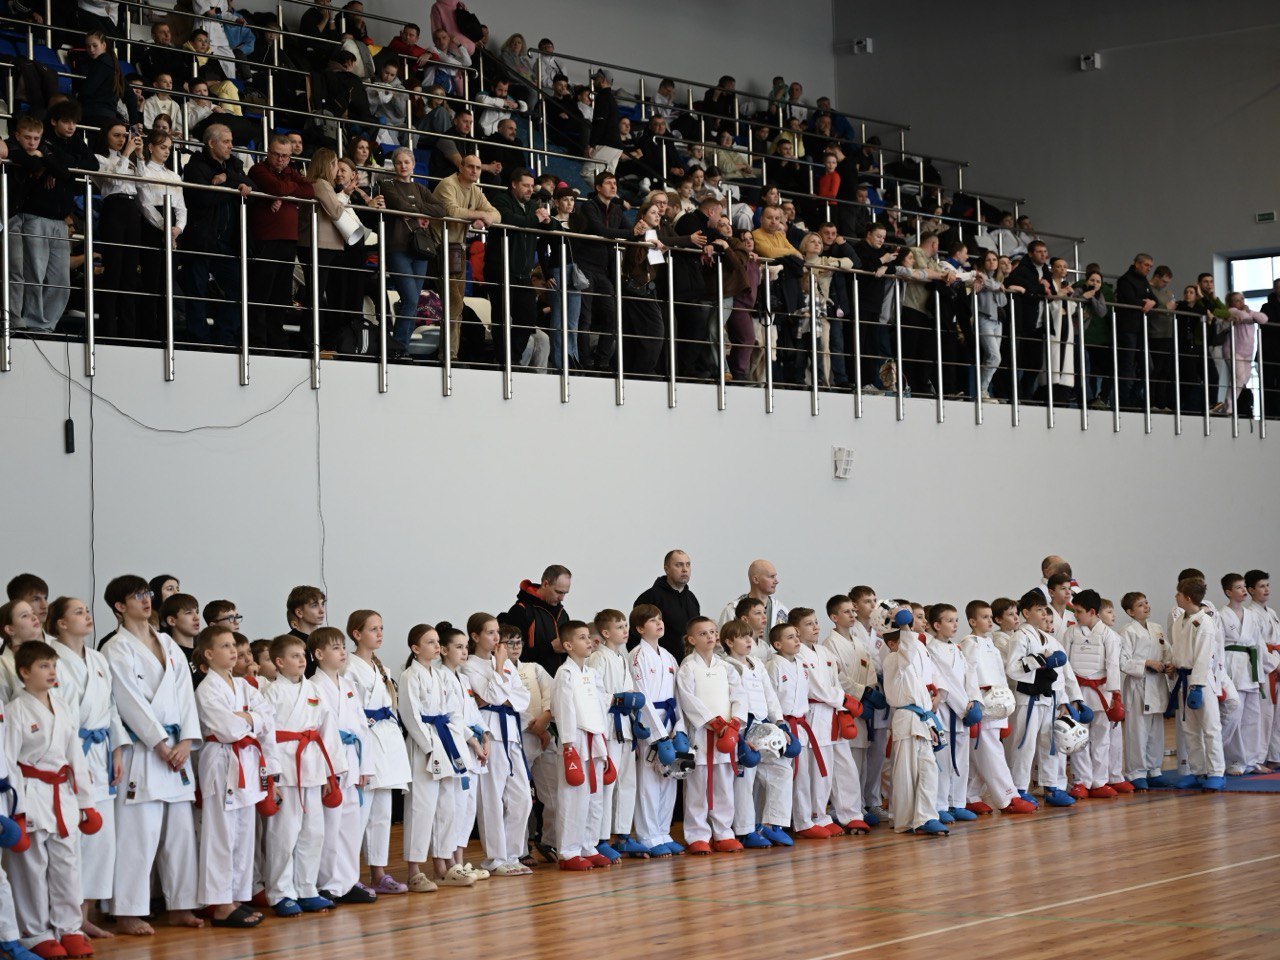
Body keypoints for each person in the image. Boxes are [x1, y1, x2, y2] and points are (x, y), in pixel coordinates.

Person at [102, 575, 202, 935]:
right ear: (119, 606)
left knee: (180, 835)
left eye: (147, 593)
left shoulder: (168, 643)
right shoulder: (115, 648)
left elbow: (185, 696)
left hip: (177, 750)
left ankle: (181, 906)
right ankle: (127, 911)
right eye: (136, 596)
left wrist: (186, 741)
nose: (146, 600)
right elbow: (128, 701)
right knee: (138, 835)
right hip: (144, 751)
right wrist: (160, 743)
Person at [4, 641, 98, 960]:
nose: (52, 672)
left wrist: (87, 803)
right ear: (24, 672)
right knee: (32, 868)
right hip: (31, 794)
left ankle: (69, 928)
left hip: (63, 796)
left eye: (53, 666)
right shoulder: (15, 711)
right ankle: (36, 933)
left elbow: (76, 758)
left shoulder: (63, 706)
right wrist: (15, 813)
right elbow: (9, 764)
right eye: (44, 666)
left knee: (67, 865)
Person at [45, 597, 126, 940]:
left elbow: (111, 707)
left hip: (101, 753)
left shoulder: (97, 658)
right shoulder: (52, 660)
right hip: (71, 753)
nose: (87, 615)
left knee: (101, 840)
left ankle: (85, 914)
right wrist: (73, 759)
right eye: (78, 612)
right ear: (61, 623)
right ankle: (65, 918)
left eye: (87, 610)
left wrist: (117, 749)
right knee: (73, 841)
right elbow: (55, 711)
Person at [191, 624, 269, 929]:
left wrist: (246, 718)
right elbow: (227, 730)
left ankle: (236, 897)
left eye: (233, 645)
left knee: (244, 834)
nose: (233, 650)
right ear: (209, 654)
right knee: (221, 835)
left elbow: (268, 718)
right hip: (221, 763)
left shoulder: (244, 686)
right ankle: (219, 903)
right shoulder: (207, 689)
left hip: (246, 761)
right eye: (225, 646)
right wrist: (251, 720)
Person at [261, 634, 343, 915]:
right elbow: (265, 735)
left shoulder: (313, 689)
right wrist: (271, 776)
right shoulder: (271, 692)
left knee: (313, 832)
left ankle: (306, 889)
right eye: (294, 656)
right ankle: (280, 893)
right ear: (279, 662)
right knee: (283, 834)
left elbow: (327, 731)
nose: (301, 660)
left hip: (312, 765)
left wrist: (331, 773)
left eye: (302, 655)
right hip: (284, 768)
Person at [460, 613, 534, 877]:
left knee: (523, 798)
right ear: (475, 636)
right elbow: (493, 695)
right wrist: (500, 669)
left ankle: (513, 854)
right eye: (490, 633)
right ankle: (495, 858)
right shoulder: (468, 666)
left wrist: (498, 691)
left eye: (497, 633)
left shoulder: (501, 663)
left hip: (512, 733)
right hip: (490, 734)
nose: (496, 638)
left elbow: (522, 698)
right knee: (491, 798)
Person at [343, 611, 410, 894]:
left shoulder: (382, 668)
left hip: (386, 740)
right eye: (373, 629)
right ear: (357, 634)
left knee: (382, 812)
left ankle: (378, 873)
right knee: (360, 812)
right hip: (364, 740)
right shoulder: (348, 667)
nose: (380, 633)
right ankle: (349, 876)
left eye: (381, 628)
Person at [305, 628, 374, 905]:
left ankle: (347, 881)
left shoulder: (348, 685)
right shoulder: (312, 686)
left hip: (352, 758)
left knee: (351, 825)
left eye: (343, 646)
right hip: (329, 762)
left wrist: (365, 765)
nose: (343, 652)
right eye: (335, 648)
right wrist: (327, 769)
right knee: (330, 826)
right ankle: (327, 884)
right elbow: (316, 730)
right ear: (319, 654)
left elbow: (362, 727)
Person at [1004, 590, 1081, 808]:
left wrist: (1064, 700)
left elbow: (1061, 674)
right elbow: (1013, 669)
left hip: (1049, 697)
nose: (1043, 614)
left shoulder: (1049, 639)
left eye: (1044, 610)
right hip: (1028, 698)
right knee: (1025, 744)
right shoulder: (1020, 636)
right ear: (1026, 613)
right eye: (1038, 610)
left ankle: (1051, 787)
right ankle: (1019, 789)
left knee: (1050, 743)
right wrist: (1040, 660)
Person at [675, 618, 745, 854]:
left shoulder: (726, 667)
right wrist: (713, 722)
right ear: (692, 639)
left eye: (713, 632)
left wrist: (734, 722)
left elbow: (739, 695)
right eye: (703, 633)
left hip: (726, 735)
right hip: (702, 734)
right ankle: (697, 834)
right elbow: (687, 700)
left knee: (724, 786)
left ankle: (724, 832)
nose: (710, 637)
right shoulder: (688, 667)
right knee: (697, 788)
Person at [959, 601, 1034, 815]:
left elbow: (1001, 675)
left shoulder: (990, 643)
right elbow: (968, 674)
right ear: (972, 621)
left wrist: (1007, 709)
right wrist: (974, 701)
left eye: (991, 617)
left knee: (981, 754)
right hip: (982, 703)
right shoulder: (969, 643)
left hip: (999, 703)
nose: (990, 621)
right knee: (991, 752)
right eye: (984, 617)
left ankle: (970, 796)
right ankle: (1008, 797)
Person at [181, 123, 250, 345]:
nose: (231, 146)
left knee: (239, 288)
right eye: (226, 141)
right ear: (211, 143)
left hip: (226, 244)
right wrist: (233, 186)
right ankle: (198, 341)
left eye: (231, 141)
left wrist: (227, 176)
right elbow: (204, 198)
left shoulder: (233, 166)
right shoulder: (195, 166)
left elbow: (252, 185)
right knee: (197, 293)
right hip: (200, 241)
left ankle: (224, 338)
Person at [548, 621, 609, 871]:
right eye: (582, 637)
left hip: (596, 737)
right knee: (573, 796)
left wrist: (604, 738)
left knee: (594, 796)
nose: (589, 641)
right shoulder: (565, 673)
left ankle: (588, 845)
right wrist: (568, 745)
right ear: (568, 645)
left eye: (588, 637)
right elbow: (563, 709)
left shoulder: (592, 674)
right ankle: (568, 851)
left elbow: (601, 705)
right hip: (575, 739)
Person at [880, 612, 946, 836]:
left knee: (928, 770)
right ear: (892, 644)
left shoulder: (911, 665)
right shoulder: (892, 660)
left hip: (921, 719)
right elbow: (907, 650)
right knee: (906, 774)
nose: (912, 646)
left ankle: (925, 817)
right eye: (903, 640)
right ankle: (905, 820)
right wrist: (906, 627)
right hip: (905, 719)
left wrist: (930, 723)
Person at [433, 624, 489, 886]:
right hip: (454, 746)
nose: (465, 651)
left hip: (472, 748)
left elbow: (474, 713)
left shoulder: (463, 678)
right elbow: (450, 717)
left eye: (466, 647)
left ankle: (459, 859)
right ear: (443, 650)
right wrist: (473, 740)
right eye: (458, 647)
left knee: (467, 807)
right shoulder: (440, 676)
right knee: (451, 807)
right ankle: (445, 864)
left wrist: (484, 736)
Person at [586, 610, 644, 859]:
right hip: (609, 726)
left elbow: (629, 691)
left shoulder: (621, 657)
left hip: (625, 726)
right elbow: (594, 693)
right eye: (619, 627)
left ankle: (622, 835)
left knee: (627, 782)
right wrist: (618, 698)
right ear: (605, 633)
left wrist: (632, 703)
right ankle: (600, 838)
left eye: (625, 625)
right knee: (607, 782)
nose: (625, 630)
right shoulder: (598, 657)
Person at [627, 604, 684, 856]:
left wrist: (679, 728)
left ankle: (663, 831)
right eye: (652, 620)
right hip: (649, 725)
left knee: (669, 777)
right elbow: (642, 697)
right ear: (640, 628)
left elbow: (677, 695)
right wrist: (658, 735)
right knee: (649, 781)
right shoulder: (637, 655)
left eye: (660, 619)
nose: (659, 623)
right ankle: (648, 835)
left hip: (670, 720)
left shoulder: (669, 657)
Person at [433, 153, 501, 360]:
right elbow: (452, 211)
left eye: (478, 168)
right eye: (470, 166)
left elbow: (496, 215)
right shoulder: (448, 184)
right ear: (461, 167)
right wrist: (479, 216)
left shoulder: (475, 190)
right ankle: (449, 354)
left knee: (457, 305)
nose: (474, 171)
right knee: (454, 304)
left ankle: (450, 352)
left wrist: (484, 217)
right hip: (440, 249)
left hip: (457, 251)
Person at [485, 168, 551, 366]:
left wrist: (547, 220)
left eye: (532, 186)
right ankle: (503, 359)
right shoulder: (501, 200)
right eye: (525, 185)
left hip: (523, 273)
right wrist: (536, 219)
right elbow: (510, 220)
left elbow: (544, 225)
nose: (530, 189)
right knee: (502, 315)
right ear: (514, 184)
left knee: (528, 317)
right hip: (500, 268)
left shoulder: (532, 206)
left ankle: (512, 357)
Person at [1063, 589, 1124, 799]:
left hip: (1102, 692)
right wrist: (1067, 694)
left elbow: (1113, 665)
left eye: (1079, 612)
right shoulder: (1071, 633)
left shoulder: (1109, 636)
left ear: (1091, 611)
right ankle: (1080, 781)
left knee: (1102, 738)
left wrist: (1116, 695)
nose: (1075, 615)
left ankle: (1099, 781)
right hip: (1077, 691)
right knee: (1079, 737)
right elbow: (1065, 665)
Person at [570, 171, 632, 370]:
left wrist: (637, 232)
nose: (614, 186)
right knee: (585, 318)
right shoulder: (589, 206)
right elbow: (601, 231)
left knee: (612, 316)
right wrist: (632, 232)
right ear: (598, 187)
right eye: (609, 183)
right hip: (585, 267)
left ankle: (602, 360)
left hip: (604, 271)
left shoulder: (616, 210)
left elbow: (631, 234)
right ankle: (585, 361)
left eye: (615, 183)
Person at [925, 604, 981, 825]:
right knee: (943, 761)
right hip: (946, 711)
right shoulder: (931, 649)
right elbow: (945, 682)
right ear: (937, 625)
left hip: (963, 711)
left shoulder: (957, 649)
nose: (955, 624)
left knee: (962, 760)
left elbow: (970, 675)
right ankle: (940, 805)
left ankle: (958, 802)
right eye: (949, 621)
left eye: (956, 620)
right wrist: (963, 707)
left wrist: (974, 701)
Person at [1168, 577, 1225, 791]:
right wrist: (1173, 664)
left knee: (1210, 727)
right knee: (1190, 729)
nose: (1176, 597)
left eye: (1178, 594)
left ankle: (1217, 772)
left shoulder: (1205, 622)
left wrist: (1198, 686)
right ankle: (1198, 770)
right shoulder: (1179, 621)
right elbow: (1177, 650)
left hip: (1201, 681)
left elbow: (1203, 656)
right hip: (1183, 677)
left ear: (1188, 598)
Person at [1118, 592, 1173, 789]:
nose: (1146, 606)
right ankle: (1136, 772)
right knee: (1138, 731)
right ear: (1130, 612)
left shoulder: (1156, 628)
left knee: (1156, 730)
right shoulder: (1127, 631)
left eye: (1146, 602)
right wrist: (1146, 662)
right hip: (1138, 684)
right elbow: (1122, 661)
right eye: (1140, 605)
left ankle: (1154, 769)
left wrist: (1169, 663)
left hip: (1157, 683)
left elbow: (1167, 652)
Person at [1218, 574, 1266, 775]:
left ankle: (1252, 760)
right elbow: (1218, 647)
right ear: (1228, 592)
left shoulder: (1252, 615)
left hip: (1251, 667)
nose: (1244, 590)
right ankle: (1234, 761)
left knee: (1253, 717)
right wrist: (1221, 677)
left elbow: (1258, 646)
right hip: (1232, 666)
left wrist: (1260, 676)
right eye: (1239, 587)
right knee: (1235, 717)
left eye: (1244, 586)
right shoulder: (1221, 615)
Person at [538, 186, 585, 369]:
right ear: (556, 202)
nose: (570, 203)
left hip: (575, 272)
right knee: (558, 319)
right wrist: (547, 273)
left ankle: (573, 358)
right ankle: (559, 362)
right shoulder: (552, 222)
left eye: (572, 200)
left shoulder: (577, 222)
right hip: (558, 269)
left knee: (573, 321)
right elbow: (541, 248)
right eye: (565, 199)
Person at [498, 566, 571, 675]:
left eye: (565, 593)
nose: (562, 598)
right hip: (529, 680)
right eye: (558, 592)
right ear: (545, 584)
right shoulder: (520, 610)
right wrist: (551, 647)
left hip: (560, 679)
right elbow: (511, 654)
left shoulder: (563, 613)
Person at [632, 551, 700, 661]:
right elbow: (635, 637)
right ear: (666, 569)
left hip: (691, 663)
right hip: (659, 665)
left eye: (688, 564)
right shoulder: (650, 597)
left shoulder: (692, 598)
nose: (685, 569)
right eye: (679, 565)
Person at [1113, 253, 1158, 409]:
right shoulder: (1125, 280)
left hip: (1141, 329)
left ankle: (1133, 396)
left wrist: (1151, 303)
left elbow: (1155, 300)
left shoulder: (1144, 280)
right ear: (1137, 264)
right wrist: (1148, 303)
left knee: (1148, 367)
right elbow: (1130, 300)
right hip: (1127, 329)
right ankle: (1124, 401)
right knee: (1127, 365)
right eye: (1146, 265)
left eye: (1150, 266)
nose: (1148, 269)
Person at [1220, 292, 1268, 415]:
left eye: (1242, 299)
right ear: (1231, 303)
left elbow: (1264, 319)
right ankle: (1229, 406)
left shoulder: (1248, 312)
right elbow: (1243, 316)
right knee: (1239, 379)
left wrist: (1250, 312)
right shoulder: (1232, 311)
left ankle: (1228, 406)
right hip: (1234, 350)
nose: (1241, 302)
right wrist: (1249, 314)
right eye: (1237, 300)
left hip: (1247, 352)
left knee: (1243, 379)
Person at [718, 560, 788, 630]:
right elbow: (723, 636)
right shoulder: (732, 611)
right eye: (771, 577)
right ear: (756, 580)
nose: (776, 581)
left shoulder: (781, 610)